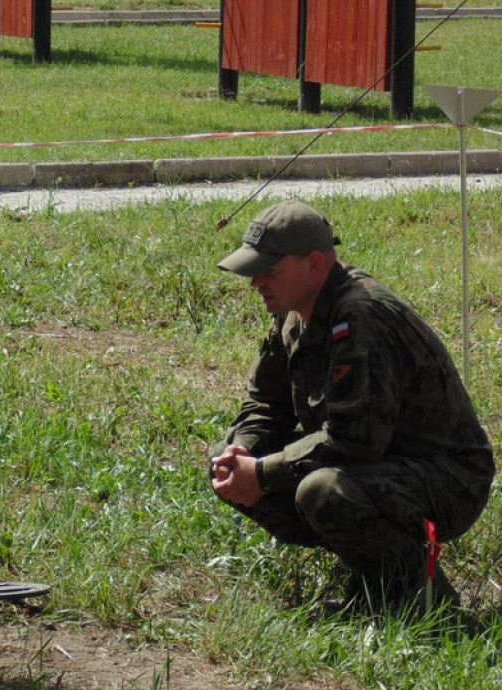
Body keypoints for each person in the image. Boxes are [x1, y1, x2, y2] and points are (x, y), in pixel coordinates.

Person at [209, 200, 494, 614]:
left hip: (448, 477)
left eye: (269, 270)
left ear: (315, 263)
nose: (256, 283)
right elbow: (265, 402)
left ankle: (422, 597)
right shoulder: (293, 313)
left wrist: (265, 474)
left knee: (323, 491)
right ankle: (373, 574)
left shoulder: (361, 318)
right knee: (225, 459)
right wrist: (244, 453)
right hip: (378, 463)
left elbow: (356, 440)